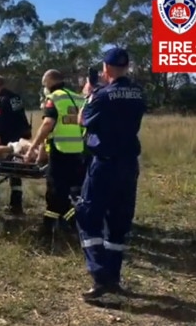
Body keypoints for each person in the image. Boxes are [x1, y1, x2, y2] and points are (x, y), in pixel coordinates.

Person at [76, 48, 146, 300]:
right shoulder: (138, 93)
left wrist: (89, 94)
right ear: (127, 67)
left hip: (104, 165)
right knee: (118, 222)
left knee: (88, 217)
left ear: (105, 69)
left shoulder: (101, 95)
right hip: (129, 165)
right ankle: (114, 277)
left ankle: (99, 277)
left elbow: (83, 121)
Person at [24, 69, 86, 232]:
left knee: (55, 190)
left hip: (60, 151)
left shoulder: (54, 98)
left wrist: (32, 147)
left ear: (50, 81)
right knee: (62, 191)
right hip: (77, 150)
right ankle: (49, 226)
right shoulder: (77, 98)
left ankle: (75, 223)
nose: (44, 87)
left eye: (44, 83)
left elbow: (47, 125)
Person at [0, 74, 31, 215]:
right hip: (20, 142)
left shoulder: (1, 101)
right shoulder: (16, 98)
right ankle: (16, 205)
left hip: (7, 142)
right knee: (15, 173)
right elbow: (22, 118)